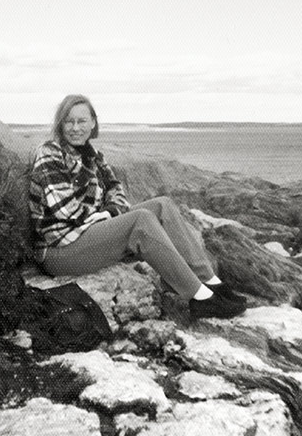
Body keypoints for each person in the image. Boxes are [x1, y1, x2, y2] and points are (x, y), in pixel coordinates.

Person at [28, 94, 247, 320]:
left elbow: (117, 191)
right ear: (60, 124)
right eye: (68, 121)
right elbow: (64, 209)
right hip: (60, 250)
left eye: (81, 121)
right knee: (140, 220)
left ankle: (211, 282)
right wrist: (103, 216)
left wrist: (110, 212)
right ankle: (200, 298)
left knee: (163, 205)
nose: (75, 128)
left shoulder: (93, 157)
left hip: (87, 234)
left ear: (93, 122)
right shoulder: (50, 152)